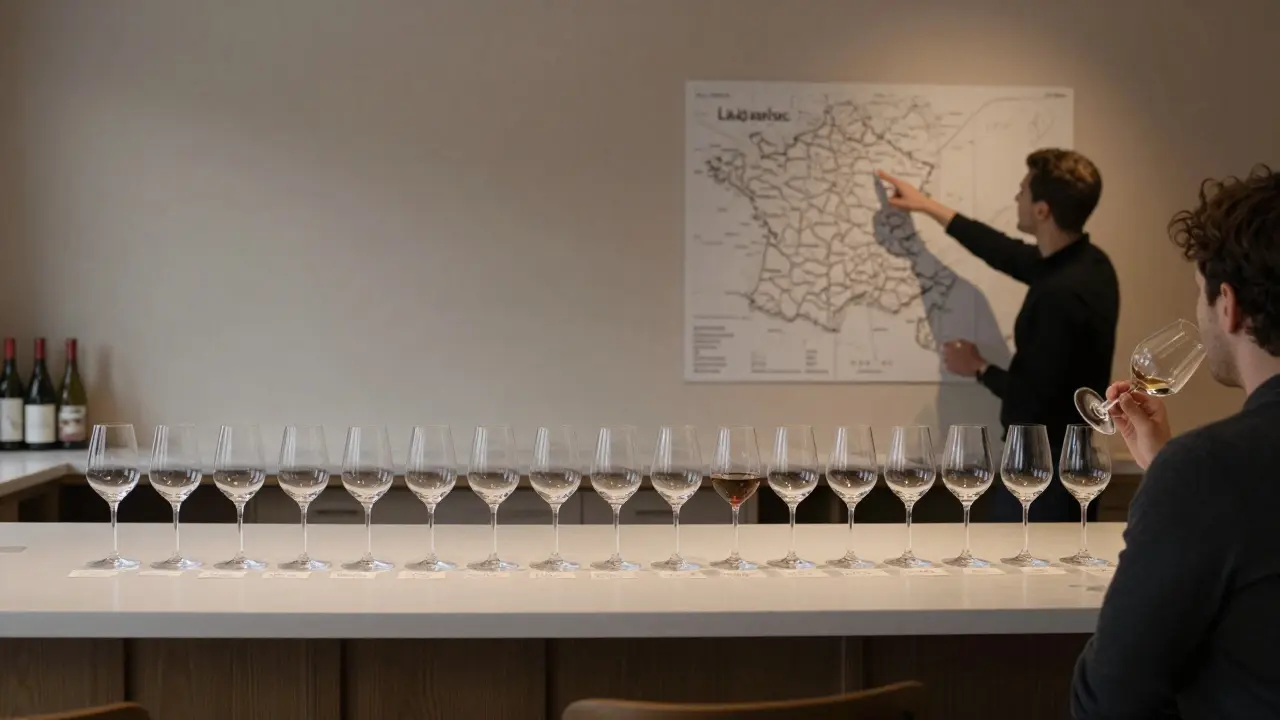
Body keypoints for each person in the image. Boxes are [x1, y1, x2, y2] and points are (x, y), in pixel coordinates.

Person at [1071, 165, 1280, 719]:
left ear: (1229, 304)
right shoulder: (1202, 473)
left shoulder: (1210, 470)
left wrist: (1176, 478)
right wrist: (1165, 466)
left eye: (1199, 295)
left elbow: (1108, 698)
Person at [877, 149, 1118, 523]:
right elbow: (1003, 252)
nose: (1016, 197)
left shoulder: (1061, 294)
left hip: (1041, 463)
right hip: (1068, 456)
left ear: (1042, 210)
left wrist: (977, 367)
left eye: (1023, 191)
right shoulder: (1088, 264)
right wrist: (928, 207)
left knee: (1028, 570)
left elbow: (1036, 396)